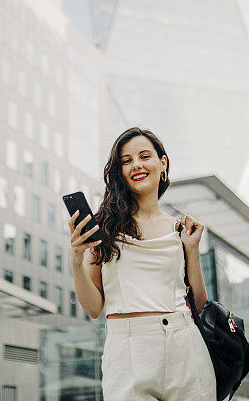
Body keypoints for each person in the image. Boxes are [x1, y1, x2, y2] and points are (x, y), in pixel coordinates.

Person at [68, 126, 216, 400]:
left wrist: (192, 249)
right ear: (120, 172)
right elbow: (93, 308)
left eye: (144, 156)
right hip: (127, 352)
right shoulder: (104, 229)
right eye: (126, 161)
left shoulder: (180, 229)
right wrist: (77, 261)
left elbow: (197, 303)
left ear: (162, 163)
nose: (136, 164)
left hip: (184, 345)